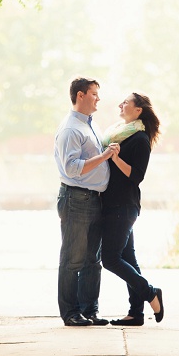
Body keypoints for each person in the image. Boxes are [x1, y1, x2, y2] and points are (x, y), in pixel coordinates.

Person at [53, 77, 119, 327]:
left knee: (92, 260)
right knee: (73, 259)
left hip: (94, 199)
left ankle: (89, 311)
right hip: (76, 199)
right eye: (94, 94)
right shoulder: (71, 129)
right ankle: (70, 314)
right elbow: (71, 168)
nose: (98, 98)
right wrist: (103, 156)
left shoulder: (91, 125)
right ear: (80, 95)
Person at [100, 92, 164, 326]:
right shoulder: (120, 133)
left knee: (110, 259)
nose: (120, 104)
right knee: (128, 259)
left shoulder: (139, 139)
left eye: (126, 102)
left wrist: (115, 158)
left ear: (139, 110)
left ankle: (150, 293)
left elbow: (136, 176)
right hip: (114, 204)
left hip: (123, 205)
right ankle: (136, 313)